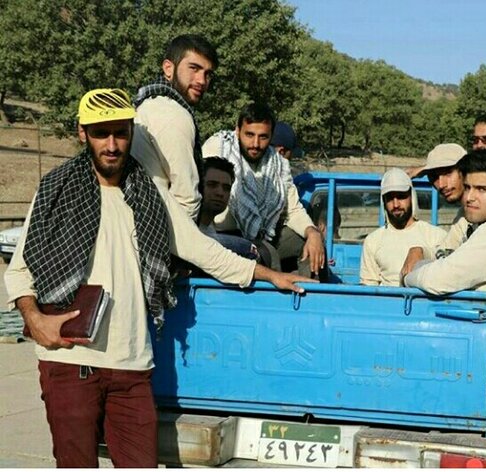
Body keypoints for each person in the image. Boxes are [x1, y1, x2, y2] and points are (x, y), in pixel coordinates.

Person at [3, 89, 311, 468]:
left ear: (131, 132)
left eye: (120, 132)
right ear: (82, 133)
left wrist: (270, 274)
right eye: (101, 133)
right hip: (69, 363)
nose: (112, 145)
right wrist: (34, 319)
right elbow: (20, 268)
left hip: (132, 367)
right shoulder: (55, 189)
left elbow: (201, 248)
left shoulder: (150, 192)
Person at [202, 102, 325, 277]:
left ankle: (309, 298)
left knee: (312, 245)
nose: (255, 144)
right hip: (218, 233)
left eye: (263, 137)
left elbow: (292, 209)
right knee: (267, 253)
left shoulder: (278, 164)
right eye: (249, 135)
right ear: (237, 130)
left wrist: (313, 233)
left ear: (271, 136)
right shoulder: (218, 148)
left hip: (264, 233)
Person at [401, 149, 486, 294]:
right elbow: (446, 256)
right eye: (467, 188)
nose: (469, 197)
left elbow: (439, 280)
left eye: (481, 189)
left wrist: (407, 277)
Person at [131, 34, 217, 221]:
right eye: (194, 68)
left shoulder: (150, 102)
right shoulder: (172, 113)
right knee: (254, 250)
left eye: (208, 74)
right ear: (168, 68)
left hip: (145, 220)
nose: (202, 81)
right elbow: (187, 199)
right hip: (161, 232)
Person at [360, 168, 446, 286]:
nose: (396, 204)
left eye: (401, 196)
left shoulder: (435, 235)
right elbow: (368, 286)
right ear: (383, 201)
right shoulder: (373, 241)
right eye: (390, 198)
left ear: (412, 197)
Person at [199, 156, 259, 261]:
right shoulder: (188, 228)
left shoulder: (209, 229)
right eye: (212, 185)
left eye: (226, 188)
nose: (220, 193)